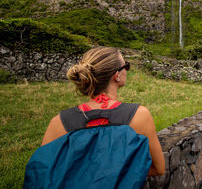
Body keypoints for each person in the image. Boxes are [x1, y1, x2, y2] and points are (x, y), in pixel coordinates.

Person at [37, 46, 165, 182]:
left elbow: (41, 174)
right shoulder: (138, 116)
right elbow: (158, 168)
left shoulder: (59, 122)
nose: (127, 70)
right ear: (117, 75)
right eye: (126, 66)